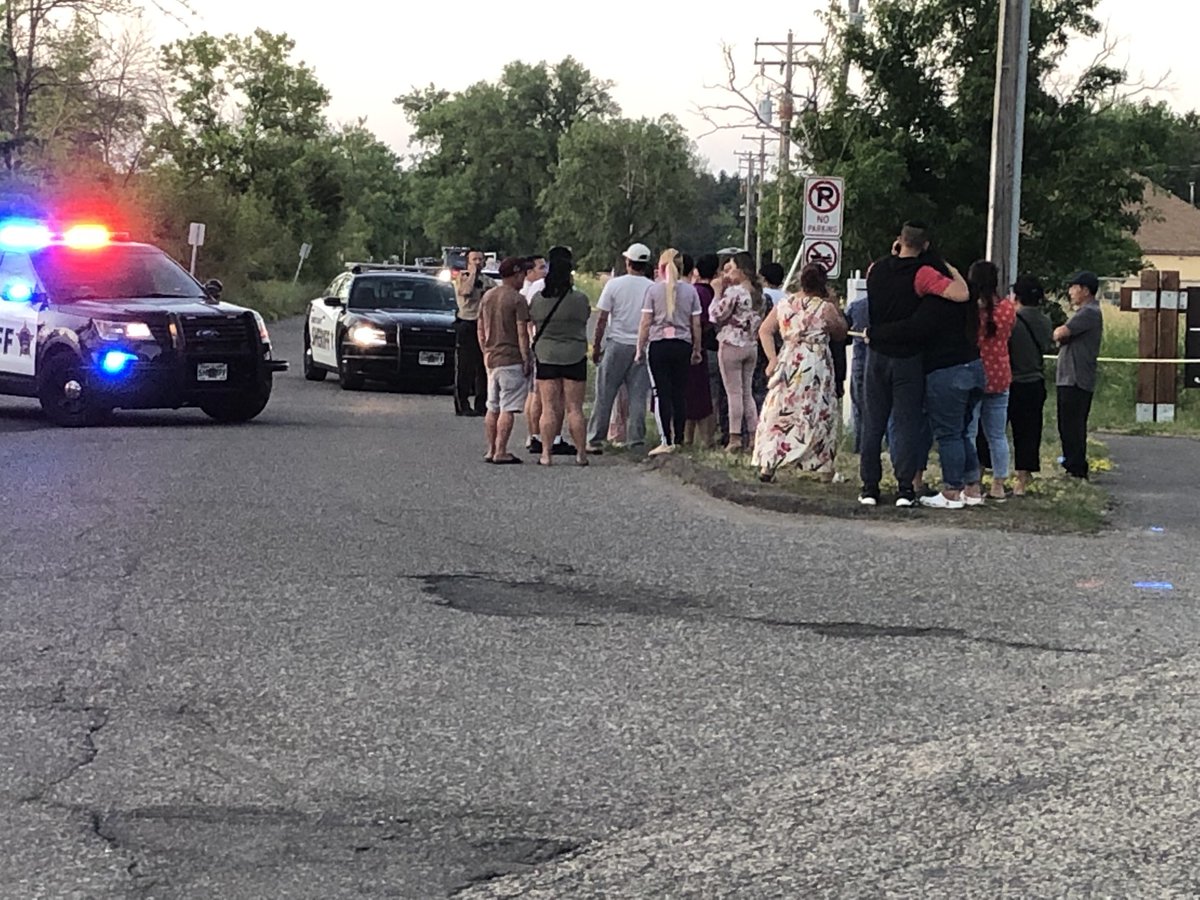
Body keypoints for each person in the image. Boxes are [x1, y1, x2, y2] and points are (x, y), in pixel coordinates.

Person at [859, 222, 970, 507]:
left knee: (873, 421)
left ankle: (869, 486)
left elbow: (886, 266)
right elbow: (961, 293)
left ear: (899, 241)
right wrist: (947, 266)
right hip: (907, 357)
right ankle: (905, 488)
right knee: (906, 422)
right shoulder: (923, 274)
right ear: (925, 246)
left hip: (877, 353)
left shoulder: (876, 270)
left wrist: (894, 252)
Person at [753, 263, 848, 482]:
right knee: (817, 411)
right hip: (815, 360)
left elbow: (765, 330)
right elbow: (840, 333)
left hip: (789, 358)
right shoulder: (825, 308)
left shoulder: (786, 303)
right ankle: (822, 466)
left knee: (780, 409)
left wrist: (773, 358)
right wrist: (834, 304)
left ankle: (769, 463)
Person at [586, 243, 654, 454]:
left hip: (617, 343)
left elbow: (602, 318)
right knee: (637, 396)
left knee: (605, 393)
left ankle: (595, 438)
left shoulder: (615, 285)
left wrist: (597, 346)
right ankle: (636, 441)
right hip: (641, 345)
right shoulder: (652, 287)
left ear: (628, 262)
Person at [529, 246, 592, 467]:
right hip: (574, 353)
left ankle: (546, 454)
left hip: (546, 355)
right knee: (574, 407)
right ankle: (581, 454)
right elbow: (585, 319)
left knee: (549, 407)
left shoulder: (538, 298)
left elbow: (534, 321)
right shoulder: (580, 299)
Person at [636, 248, 703, 456]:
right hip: (682, 344)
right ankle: (680, 438)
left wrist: (640, 347)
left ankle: (666, 439)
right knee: (679, 392)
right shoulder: (691, 291)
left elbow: (646, 322)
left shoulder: (654, 291)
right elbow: (697, 324)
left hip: (659, 345)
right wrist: (696, 348)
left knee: (661, 393)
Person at [967, 260, 1017, 501]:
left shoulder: (970, 311)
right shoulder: (1007, 309)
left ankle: (971, 481)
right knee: (997, 435)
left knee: (969, 432)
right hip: (1000, 373)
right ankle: (998, 484)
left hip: (974, 374)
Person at [477, 257, 533, 464]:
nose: (524, 279)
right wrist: (526, 357)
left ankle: (490, 449)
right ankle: (501, 450)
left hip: (491, 358)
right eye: (523, 275)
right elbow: (522, 332)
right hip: (510, 358)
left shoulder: (488, 296)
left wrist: (485, 351)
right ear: (517, 275)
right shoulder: (517, 300)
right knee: (507, 407)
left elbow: (480, 329)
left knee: (492, 406)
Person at [709, 251, 764, 453]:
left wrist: (716, 293)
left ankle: (734, 437)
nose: (728, 274)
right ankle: (753, 435)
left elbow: (715, 315)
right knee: (747, 393)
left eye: (731, 269)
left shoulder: (734, 293)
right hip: (751, 345)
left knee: (734, 393)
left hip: (732, 343)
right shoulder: (759, 295)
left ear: (741, 270)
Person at [1053, 270, 1104, 479]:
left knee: (1072, 424)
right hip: (1070, 377)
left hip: (1075, 378)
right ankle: (1071, 462)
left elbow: (1061, 333)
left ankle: (1075, 466)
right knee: (1067, 423)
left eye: (1073, 288)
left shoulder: (1088, 312)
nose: (1070, 292)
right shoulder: (1086, 312)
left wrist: (1059, 333)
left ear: (1084, 290)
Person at [1007, 275, 1054, 495]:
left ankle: (981, 473)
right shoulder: (1045, 321)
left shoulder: (1012, 320)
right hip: (1035, 381)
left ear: (1017, 296)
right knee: (1029, 432)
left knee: (994, 431)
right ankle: (1022, 481)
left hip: (1012, 381)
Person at [452, 248, 494, 416]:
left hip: (483, 324)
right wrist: (473, 274)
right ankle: (462, 404)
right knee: (465, 366)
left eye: (480, 259)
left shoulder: (488, 281)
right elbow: (466, 292)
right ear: (468, 262)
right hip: (467, 324)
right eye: (474, 259)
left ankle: (481, 403)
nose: (478, 262)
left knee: (483, 366)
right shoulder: (462, 278)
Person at [681, 253, 715, 445]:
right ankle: (707, 437)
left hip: (697, 347)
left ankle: (691, 438)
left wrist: (695, 344)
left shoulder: (695, 292)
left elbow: (698, 322)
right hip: (712, 346)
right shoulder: (714, 292)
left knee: (692, 395)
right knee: (706, 396)